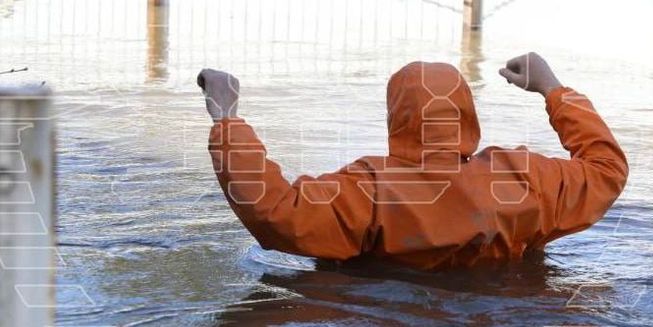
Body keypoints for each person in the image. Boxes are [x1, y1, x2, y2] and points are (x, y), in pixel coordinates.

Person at [197, 53, 628, 270]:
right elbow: (606, 169)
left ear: (396, 117)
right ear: (466, 112)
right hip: (503, 324)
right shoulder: (525, 178)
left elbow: (272, 211)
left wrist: (227, 118)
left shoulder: (367, 190)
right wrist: (552, 89)